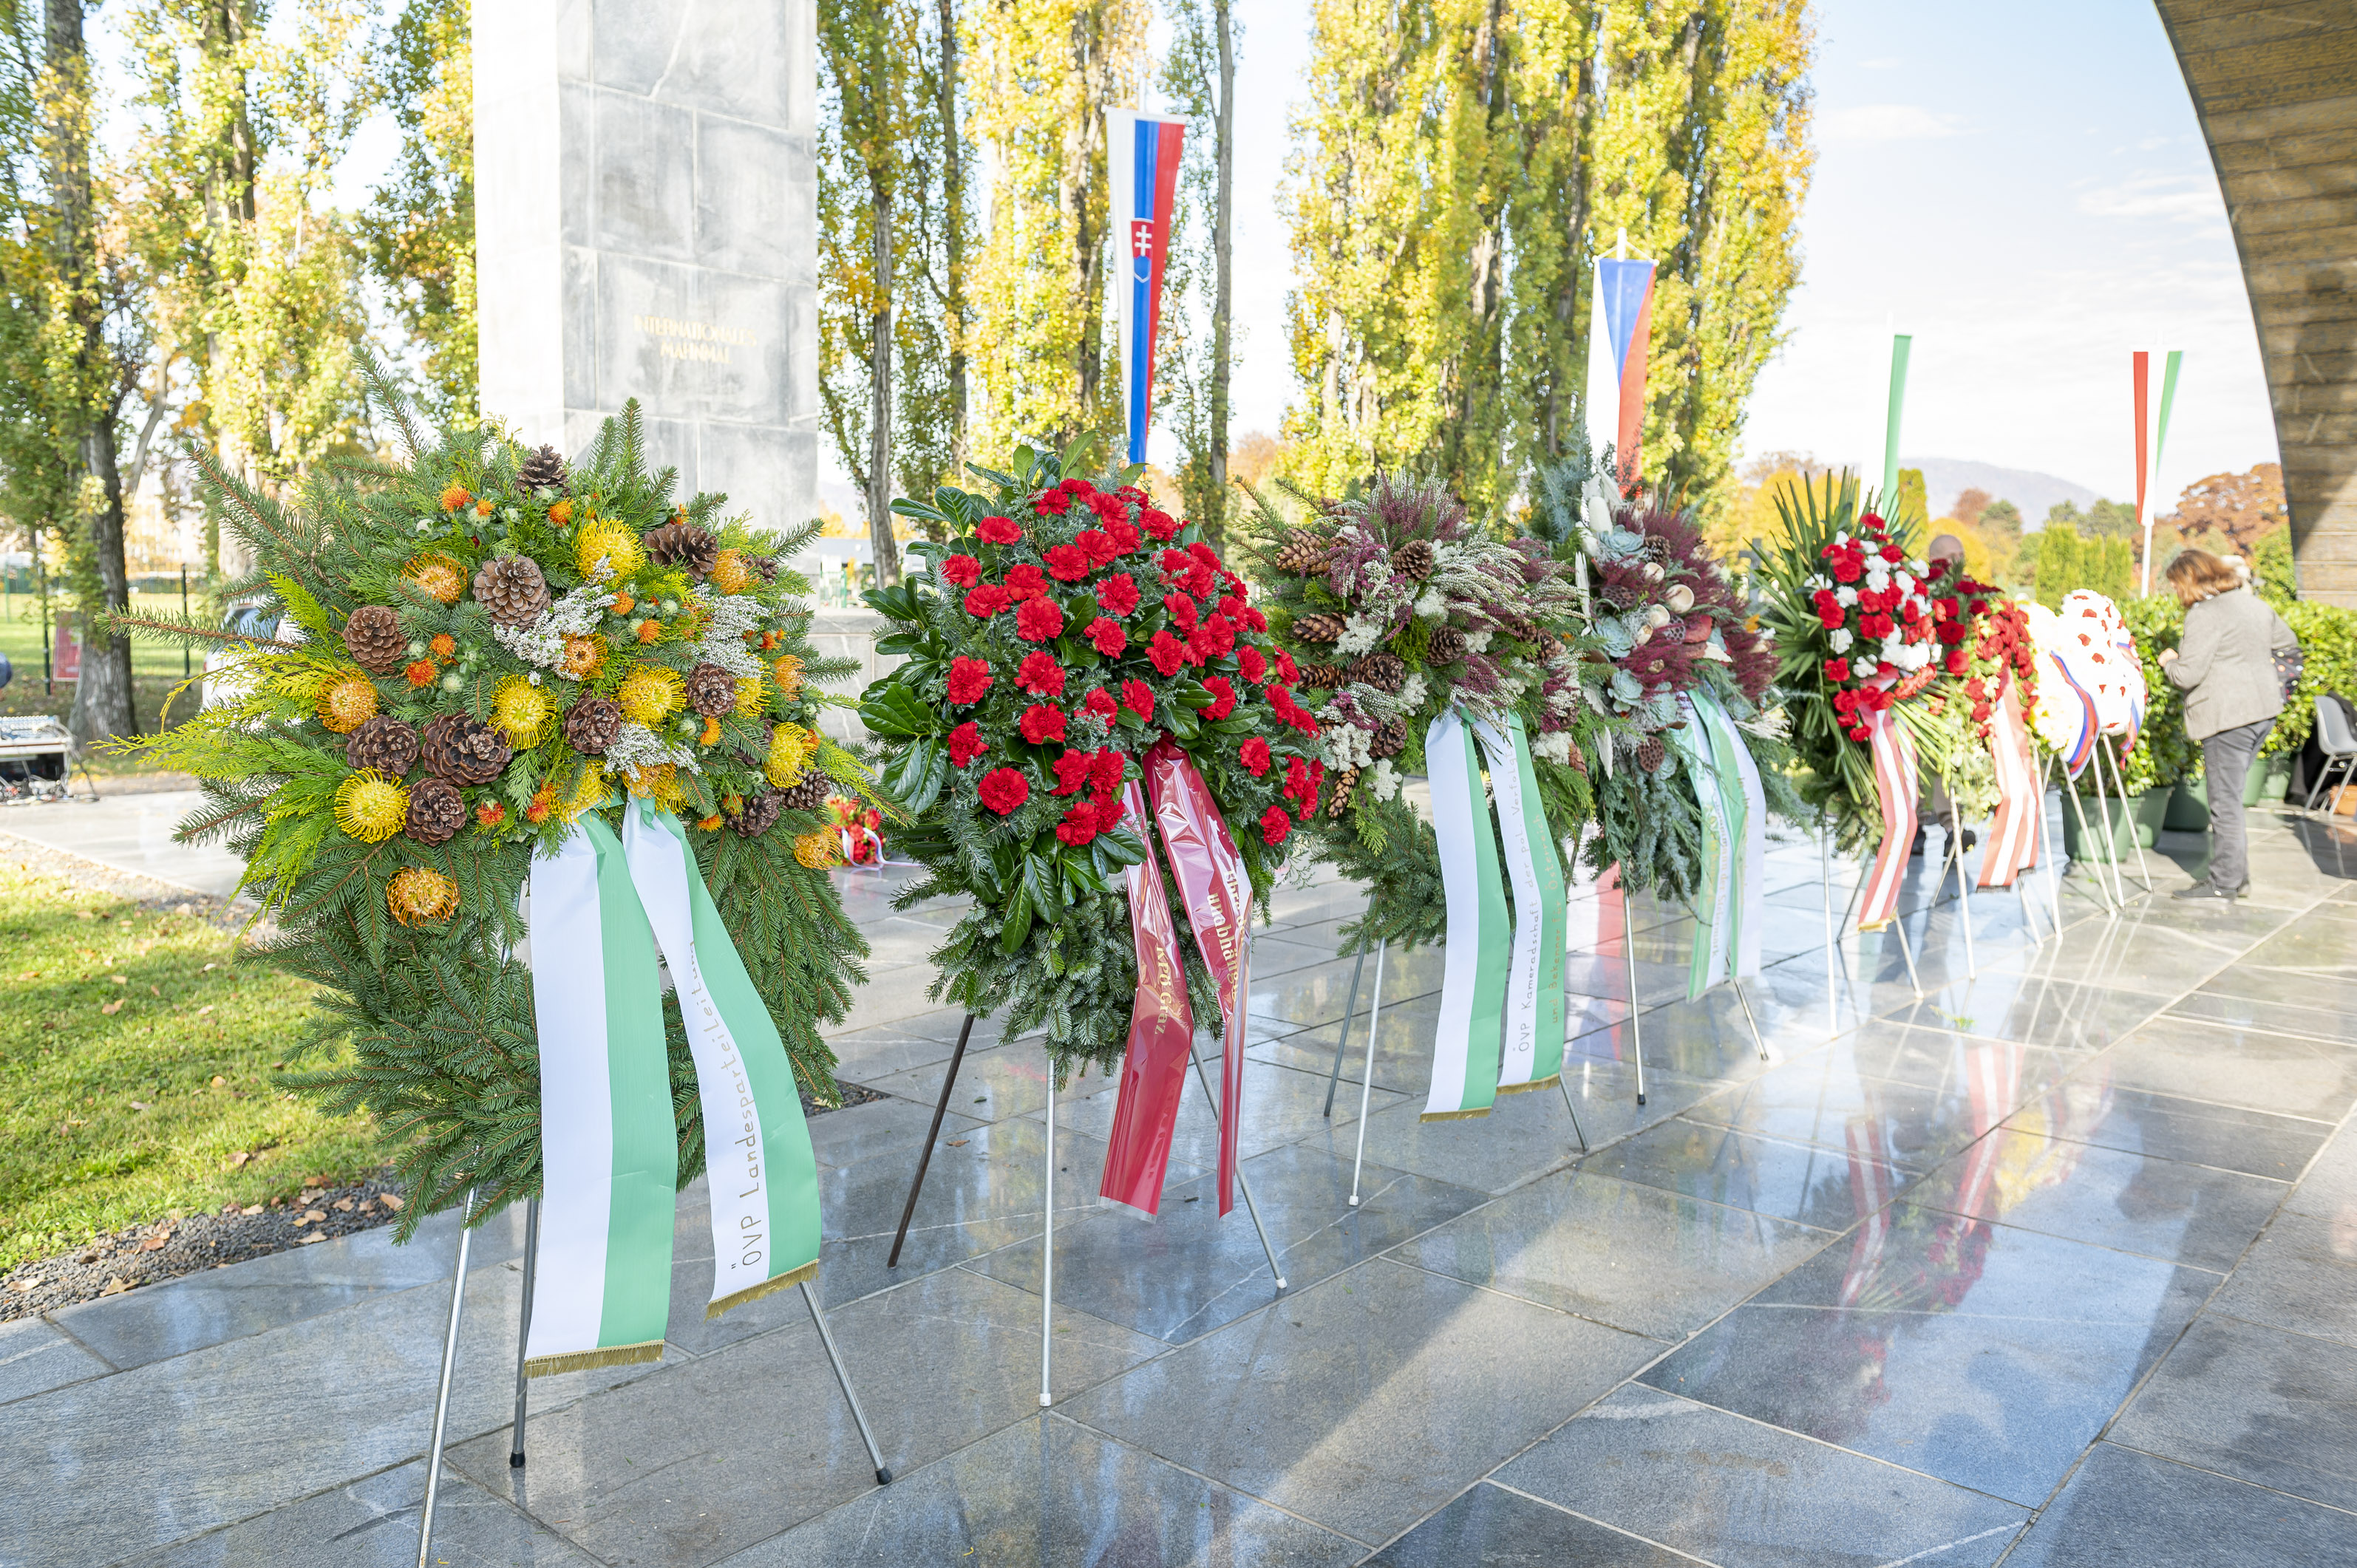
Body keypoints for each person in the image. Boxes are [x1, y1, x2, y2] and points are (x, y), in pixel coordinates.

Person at [2160, 547, 2299, 900]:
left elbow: (2188, 673)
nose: (2176, 592)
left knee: (2224, 803)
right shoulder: (2254, 604)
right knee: (2231, 799)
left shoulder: (2205, 614)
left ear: (2190, 579)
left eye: (2176, 584)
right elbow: (2288, 646)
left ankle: (2223, 883)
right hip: (2262, 711)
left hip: (2228, 717)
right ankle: (2238, 878)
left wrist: (2168, 661)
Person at [1914, 534, 1974, 857]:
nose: (1956, 561)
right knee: (1919, 761)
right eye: (1948, 555)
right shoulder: (1918, 593)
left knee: (1947, 762)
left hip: (1956, 694)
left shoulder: (1971, 594)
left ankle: (1954, 828)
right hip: (1921, 691)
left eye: (1960, 553)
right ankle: (1914, 829)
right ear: (1933, 559)